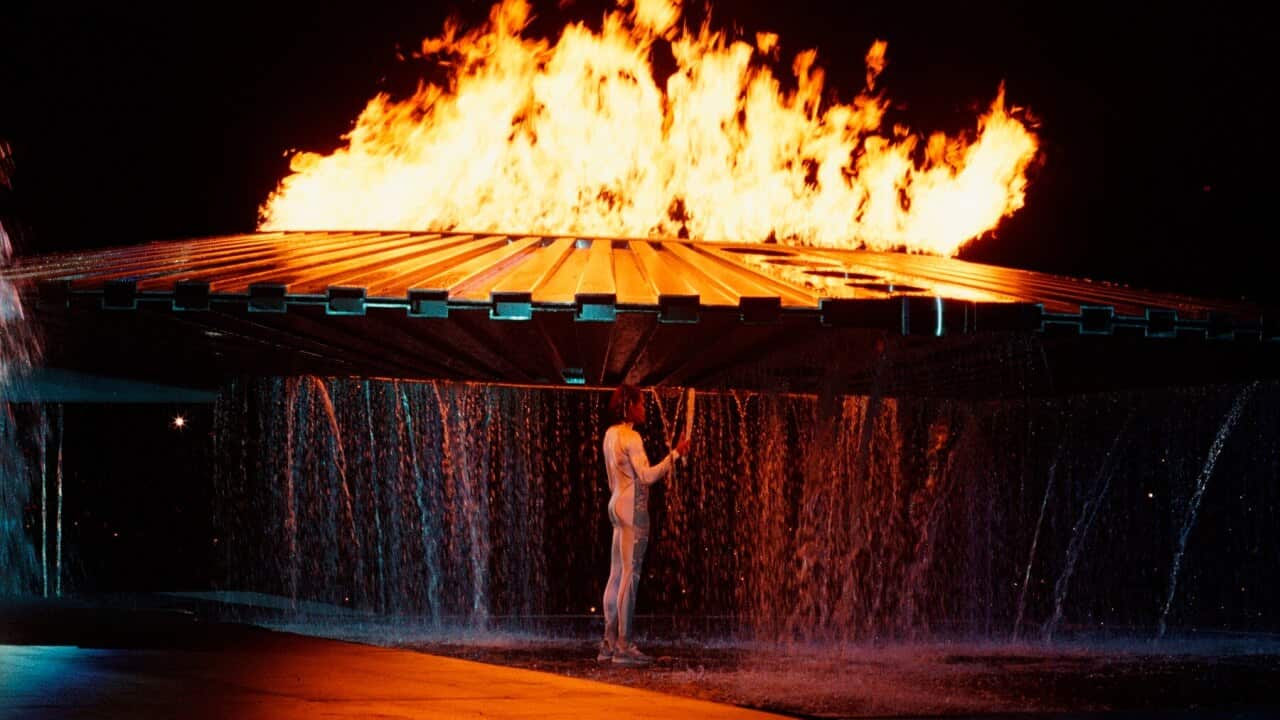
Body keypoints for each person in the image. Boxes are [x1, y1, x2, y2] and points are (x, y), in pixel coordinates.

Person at [598, 384, 691, 666]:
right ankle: (624, 646)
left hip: (616, 504)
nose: (643, 408)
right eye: (640, 404)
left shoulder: (610, 435)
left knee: (615, 575)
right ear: (629, 406)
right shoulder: (632, 437)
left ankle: (608, 643)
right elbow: (647, 476)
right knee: (630, 575)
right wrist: (674, 454)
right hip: (633, 509)